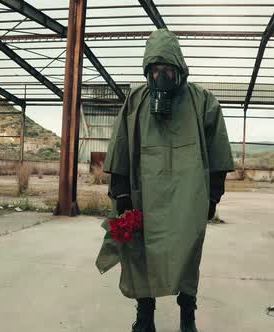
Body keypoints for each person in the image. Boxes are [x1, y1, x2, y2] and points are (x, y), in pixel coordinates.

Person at [95, 28, 234, 332]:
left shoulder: (202, 101)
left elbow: (218, 152)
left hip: (188, 200)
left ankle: (188, 317)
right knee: (140, 256)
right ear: (148, 71)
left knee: (187, 256)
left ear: (179, 69)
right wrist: (120, 194)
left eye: (167, 70)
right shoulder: (136, 99)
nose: (161, 77)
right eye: (155, 70)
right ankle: (145, 318)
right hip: (143, 196)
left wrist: (212, 196)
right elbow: (119, 146)